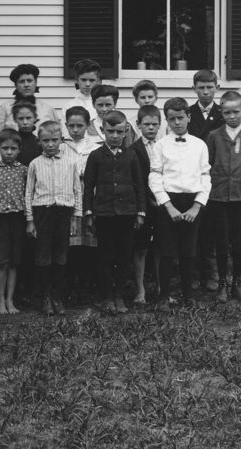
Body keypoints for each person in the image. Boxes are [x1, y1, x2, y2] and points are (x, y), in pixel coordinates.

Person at [148, 97, 211, 312]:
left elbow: (205, 177)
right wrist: (168, 206)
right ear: (166, 120)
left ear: (189, 117)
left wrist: (196, 206)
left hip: (192, 202)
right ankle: (164, 296)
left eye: (181, 118)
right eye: (172, 119)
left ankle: (188, 295)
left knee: (188, 251)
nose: (177, 123)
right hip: (168, 203)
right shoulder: (160, 145)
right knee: (167, 251)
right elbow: (155, 177)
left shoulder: (199, 145)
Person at [83, 111, 146, 314]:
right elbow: (88, 186)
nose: (115, 136)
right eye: (110, 131)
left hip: (127, 213)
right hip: (104, 213)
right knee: (105, 256)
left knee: (124, 256)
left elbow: (139, 186)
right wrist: (89, 211)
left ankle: (119, 295)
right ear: (103, 131)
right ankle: (106, 296)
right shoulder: (96, 156)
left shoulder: (131, 155)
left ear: (126, 130)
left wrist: (140, 212)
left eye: (119, 132)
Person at [205, 91, 241, 303]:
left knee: (240, 241)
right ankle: (222, 284)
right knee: (221, 241)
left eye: (236, 112)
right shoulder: (214, 136)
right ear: (221, 112)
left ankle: (237, 284)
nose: (232, 116)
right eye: (227, 112)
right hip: (219, 196)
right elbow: (207, 165)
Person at [25, 121, 82, 315]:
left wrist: (76, 217)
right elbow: (29, 193)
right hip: (43, 212)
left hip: (64, 212)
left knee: (61, 255)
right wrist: (30, 220)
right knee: (43, 256)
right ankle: (45, 296)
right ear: (39, 141)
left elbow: (77, 190)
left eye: (54, 140)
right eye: (46, 141)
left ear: (61, 141)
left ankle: (57, 296)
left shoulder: (70, 162)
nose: (50, 144)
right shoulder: (34, 164)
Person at [187, 69, 224, 293]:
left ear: (216, 88)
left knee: (211, 227)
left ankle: (210, 273)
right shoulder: (188, 113)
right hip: (191, 176)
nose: (205, 92)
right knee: (193, 227)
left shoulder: (223, 113)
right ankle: (190, 274)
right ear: (194, 89)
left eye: (210, 87)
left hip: (213, 177)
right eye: (201, 88)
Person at [0, 128, 28, 315]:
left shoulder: (25, 171)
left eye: (13, 148)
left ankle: (11, 300)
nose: (9, 152)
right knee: (1, 261)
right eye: (5, 148)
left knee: (13, 262)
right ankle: (0, 301)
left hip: (18, 218)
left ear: (19, 150)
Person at [63, 105, 98, 304]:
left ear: (87, 125)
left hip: (88, 197)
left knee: (89, 243)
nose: (75, 130)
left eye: (80, 125)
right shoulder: (61, 145)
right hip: (69, 198)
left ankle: (87, 287)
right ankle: (70, 287)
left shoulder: (94, 146)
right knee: (71, 244)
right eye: (71, 126)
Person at [130, 104, 163, 305]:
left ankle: (162, 288)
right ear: (138, 125)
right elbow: (134, 180)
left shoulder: (165, 146)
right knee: (140, 249)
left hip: (162, 204)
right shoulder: (132, 150)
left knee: (160, 247)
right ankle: (140, 290)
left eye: (154, 124)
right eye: (146, 124)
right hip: (142, 206)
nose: (151, 128)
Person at [0, 63, 62, 134]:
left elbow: (58, 134)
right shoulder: (4, 109)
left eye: (29, 81)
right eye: (22, 81)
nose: (26, 85)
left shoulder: (47, 109)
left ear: (36, 83)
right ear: (16, 85)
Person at [87, 84, 133, 148]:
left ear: (115, 103)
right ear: (93, 104)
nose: (104, 109)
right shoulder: (88, 127)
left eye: (108, 105)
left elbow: (129, 148)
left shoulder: (125, 126)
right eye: (100, 105)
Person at [12, 101, 42, 165]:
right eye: (21, 118)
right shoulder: (12, 142)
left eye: (28, 118)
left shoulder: (39, 142)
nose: (25, 122)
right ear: (15, 119)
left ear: (35, 118)